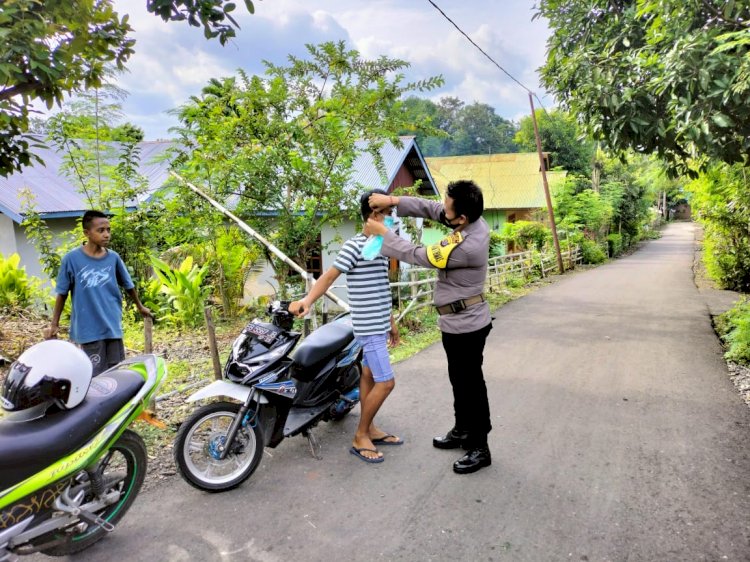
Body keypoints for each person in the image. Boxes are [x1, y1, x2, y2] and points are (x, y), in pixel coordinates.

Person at [367, 180, 492, 474]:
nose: (442, 211)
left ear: (461, 218)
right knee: (459, 380)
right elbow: (431, 208)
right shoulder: (469, 219)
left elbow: (419, 255)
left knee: (471, 386)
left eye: (448, 209)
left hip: (468, 326)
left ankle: (480, 446)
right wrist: (394, 201)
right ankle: (463, 430)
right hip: (455, 322)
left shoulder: (469, 246)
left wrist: (384, 233)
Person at [290, 190, 401, 464]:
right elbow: (328, 277)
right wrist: (308, 300)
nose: (391, 219)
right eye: (388, 213)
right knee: (386, 382)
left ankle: (370, 428)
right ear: (374, 215)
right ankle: (360, 435)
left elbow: (381, 288)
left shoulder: (381, 247)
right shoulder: (355, 246)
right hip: (367, 327)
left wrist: (391, 322)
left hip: (379, 322)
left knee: (369, 376)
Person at [44, 210, 152, 376]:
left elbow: (128, 285)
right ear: (87, 233)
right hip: (88, 330)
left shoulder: (113, 258)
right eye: (100, 230)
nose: (106, 234)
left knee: (115, 373)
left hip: (112, 325)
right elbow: (62, 293)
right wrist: (54, 324)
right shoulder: (71, 259)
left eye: (108, 230)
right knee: (94, 376)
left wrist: (140, 306)